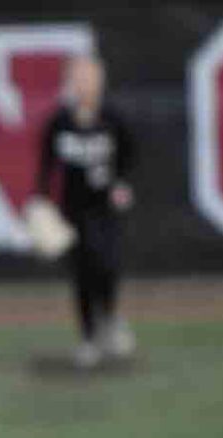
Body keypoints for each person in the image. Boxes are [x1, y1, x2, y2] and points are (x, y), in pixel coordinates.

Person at [34, 53, 137, 368]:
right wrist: (40, 203)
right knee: (81, 274)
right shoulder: (59, 122)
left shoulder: (113, 119)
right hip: (72, 210)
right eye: (78, 77)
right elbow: (46, 167)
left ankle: (110, 319)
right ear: (69, 82)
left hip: (105, 208)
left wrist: (122, 183)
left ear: (100, 80)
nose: (85, 83)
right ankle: (89, 338)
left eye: (90, 76)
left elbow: (129, 157)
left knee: (107, 265)